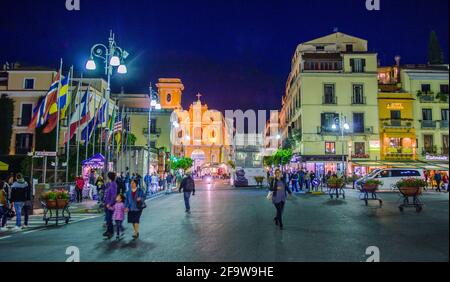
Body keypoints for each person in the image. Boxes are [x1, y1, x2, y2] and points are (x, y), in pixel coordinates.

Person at [103, 172, 118, 239]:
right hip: (107, 203)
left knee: (109, 219)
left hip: (110, 204)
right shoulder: (110, 184)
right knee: (107, 218)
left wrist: (110, 203)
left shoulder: (113, 184)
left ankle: (110, 232)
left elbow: (113, 196)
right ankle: (108, 231)